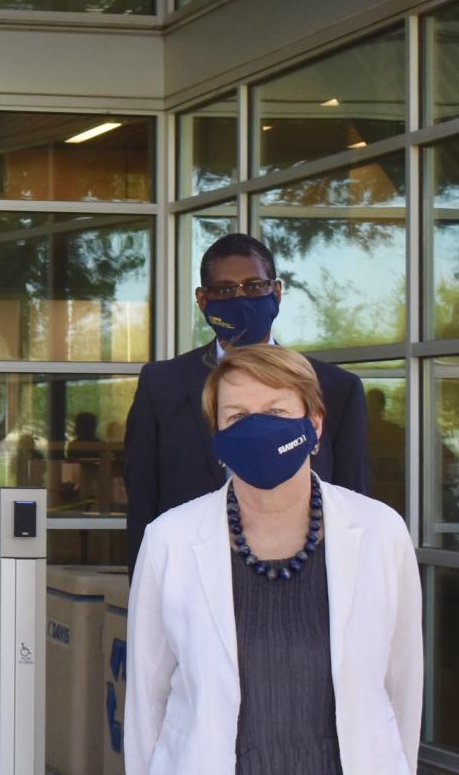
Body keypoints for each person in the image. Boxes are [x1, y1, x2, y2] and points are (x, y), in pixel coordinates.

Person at [125, 343, 422, 775]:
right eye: (236, 415)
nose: (256, 428)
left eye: (277, 411)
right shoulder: (170, 539)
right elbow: (149, 691)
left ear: (315, 424)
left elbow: (401, 681)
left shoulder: (379, 531)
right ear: (216, 433)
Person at [123, 232, 368, 561]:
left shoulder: (336, 388)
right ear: (202, 299)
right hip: (191, 571)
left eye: (254, 286)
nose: (240, 298)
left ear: (276, 291)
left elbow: (352, 501)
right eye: (225, 290)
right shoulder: (162, 385)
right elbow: (142, 501)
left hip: (307, 572)